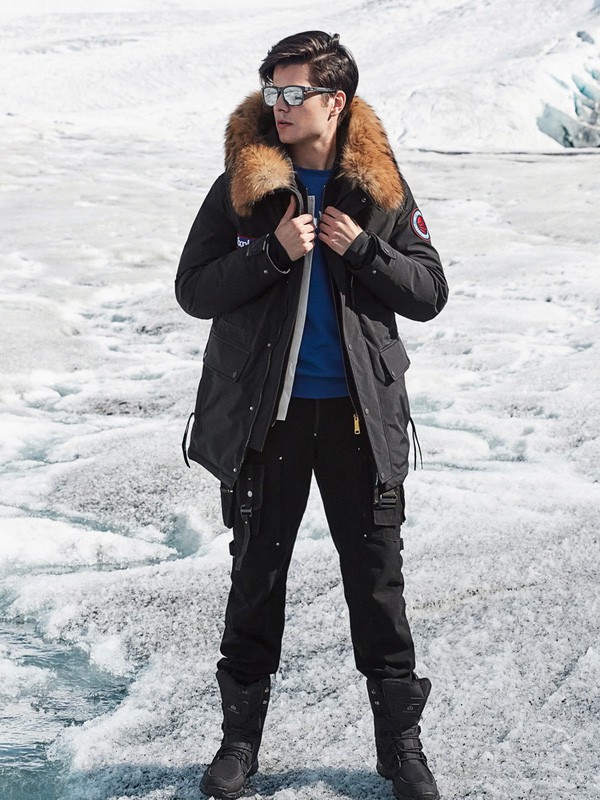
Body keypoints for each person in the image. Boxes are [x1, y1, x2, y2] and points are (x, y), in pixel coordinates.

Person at [175, 30, 448, 800]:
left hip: (360, 423)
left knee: (378, 589)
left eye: (295, 92)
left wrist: (363, 250)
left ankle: (401, 751)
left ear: (336, 101)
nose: (280, 105)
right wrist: (271, 253)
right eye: (273, 91)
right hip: (269, 423)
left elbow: (429, 293)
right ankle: (238, 746)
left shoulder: (378, 188)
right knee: (256, 582)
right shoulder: (244, 186)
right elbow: (194, 289)